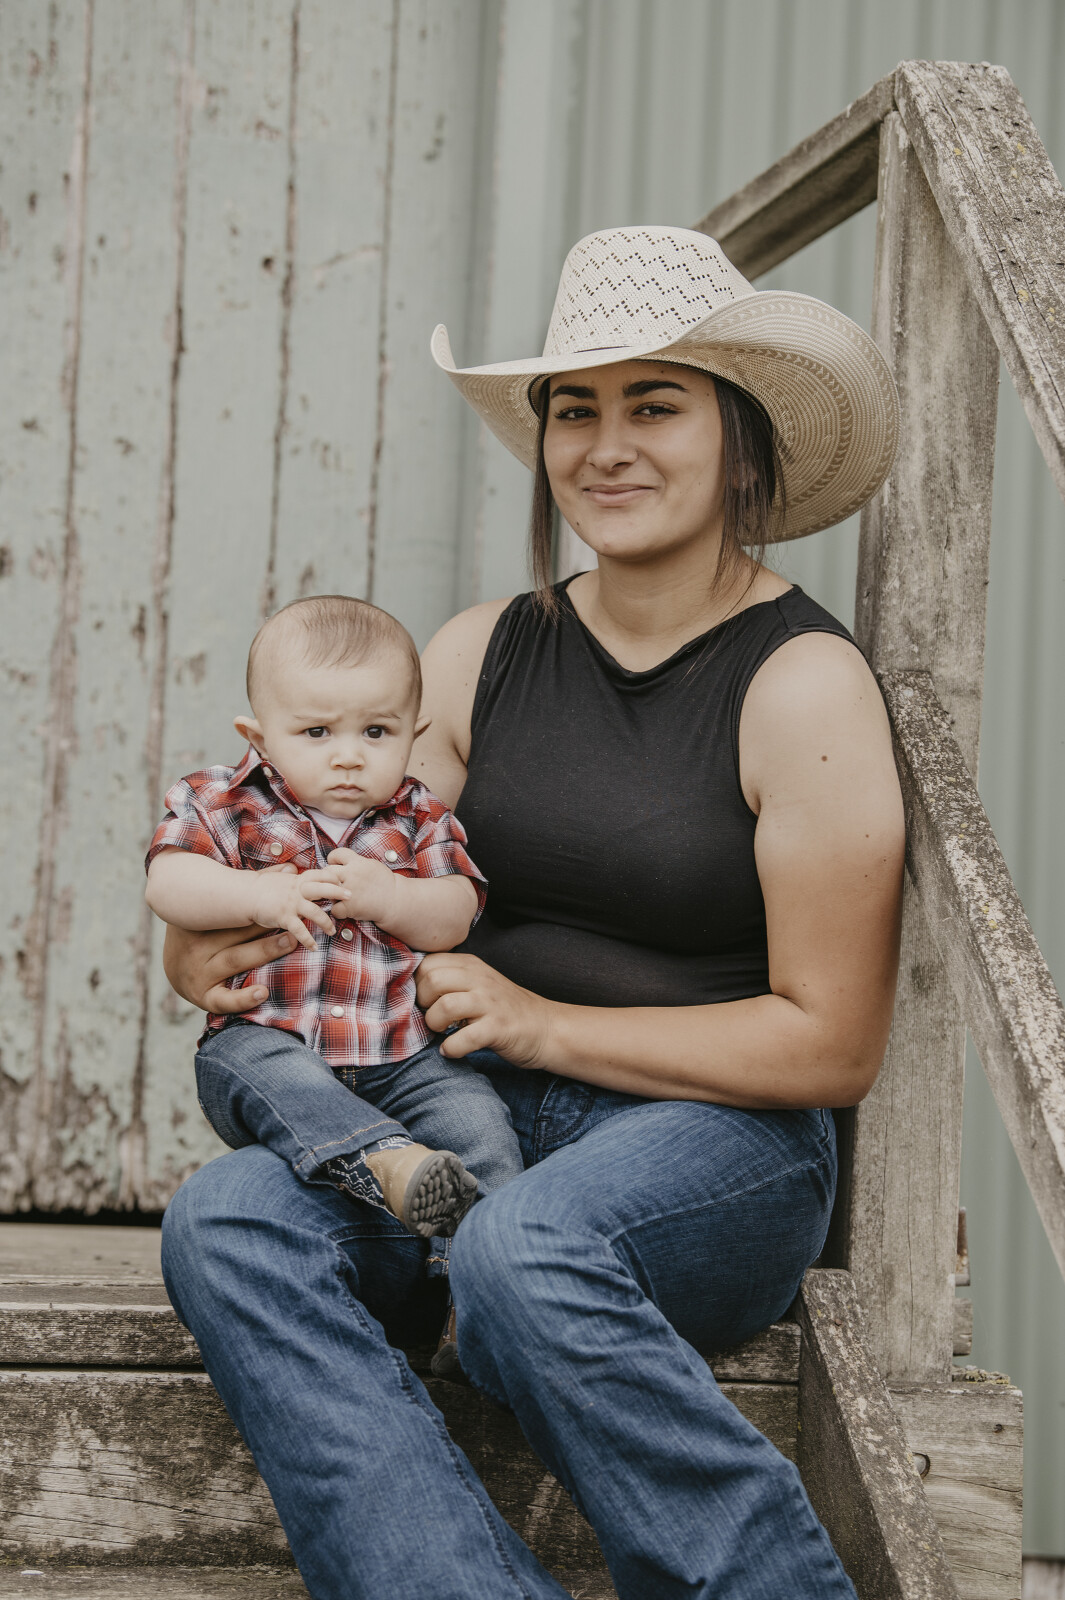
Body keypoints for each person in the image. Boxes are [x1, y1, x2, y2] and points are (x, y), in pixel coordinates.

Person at [160, 225, 905, 1600]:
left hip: (715, 1144)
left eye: (654, 405)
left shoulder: (800, 683)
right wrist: (216, 936)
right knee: (229, 1220)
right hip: (466, 1116)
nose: (605, 447)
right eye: (576, 410)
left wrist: (541, 1022)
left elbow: (831, 1044)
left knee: (521, 1248)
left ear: (740, 444)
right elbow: (354, 859)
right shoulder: (478, 651)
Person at [145, 594, 526, 1241]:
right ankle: (383, 1161)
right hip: (269, 1039)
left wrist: (393, 898)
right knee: (276, 1077)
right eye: (317, 733)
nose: (348, 756)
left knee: (477, 1121)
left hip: (403, 1055)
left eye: (376, 732)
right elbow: (169, 882)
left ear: (413, 734)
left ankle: (473, 1271)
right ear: (259, 738)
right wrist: (255, 895)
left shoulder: (420, 816)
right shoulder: (225, 801)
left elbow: (458, 913)